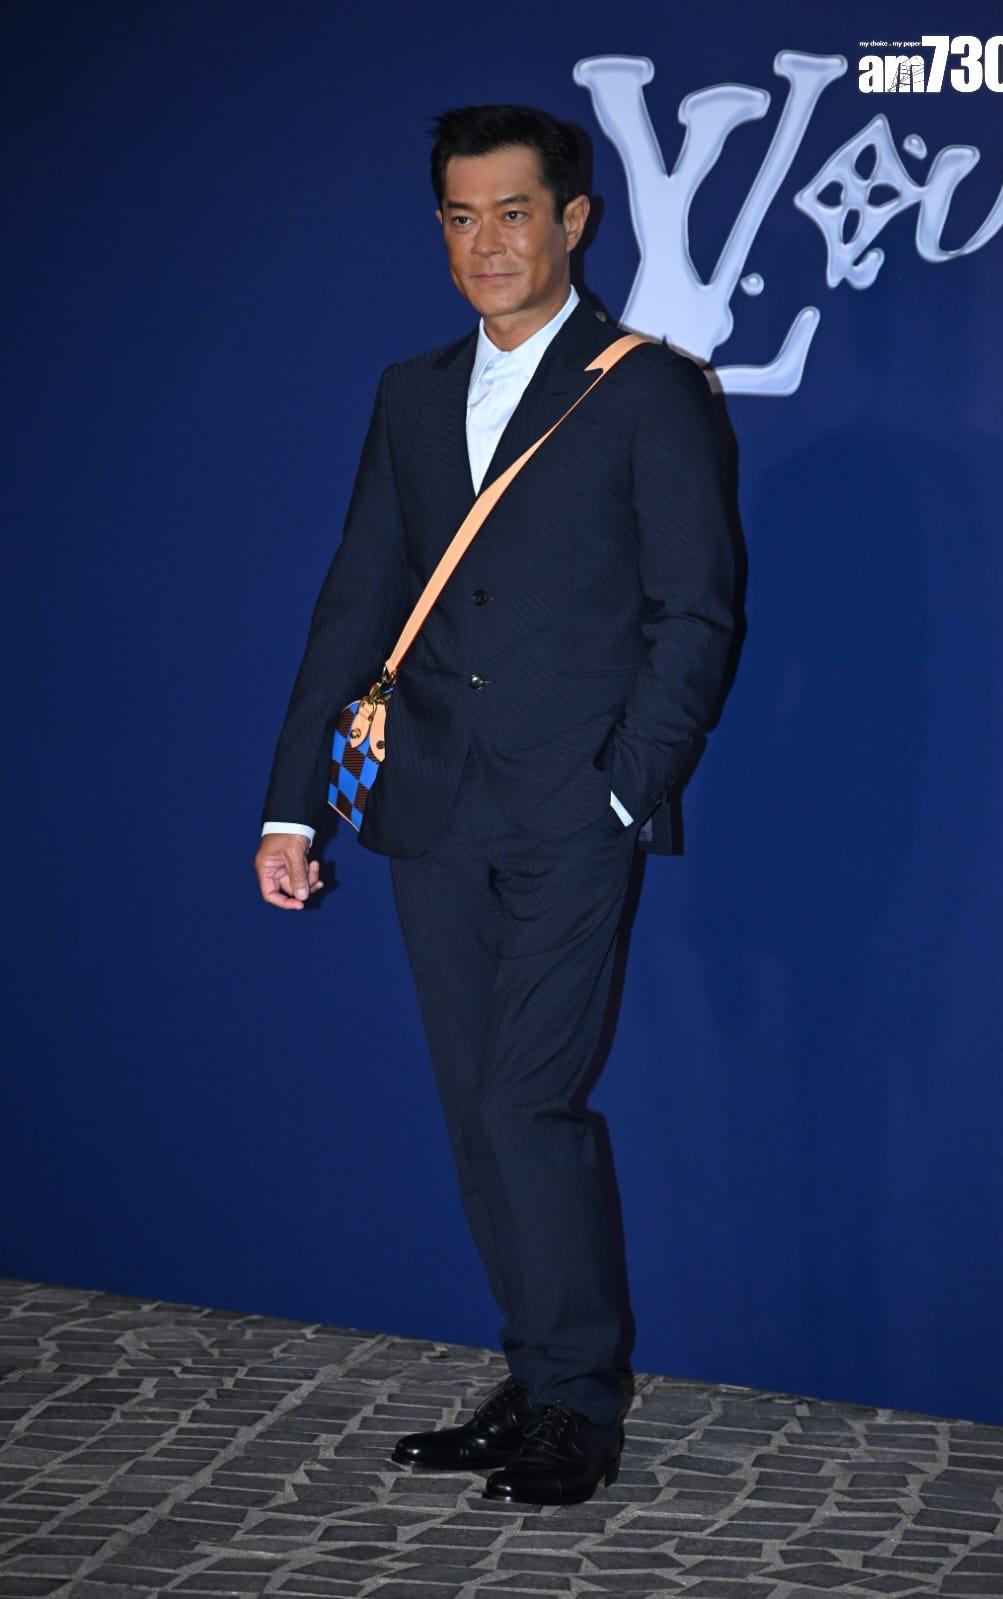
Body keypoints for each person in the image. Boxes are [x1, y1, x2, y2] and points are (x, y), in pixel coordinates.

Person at [253, 102, 745, 1506]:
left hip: (569, 812)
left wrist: (622, 791)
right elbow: (356, 600)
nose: (488, 244)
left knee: (528, 1102)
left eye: (514, 213)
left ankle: (576, 1405)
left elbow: (697, 614)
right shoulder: (410, 392)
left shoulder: (647, 389)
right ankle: (535, 1377)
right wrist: (293, 809)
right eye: (461, 218)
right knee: (479, 1113)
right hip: (429, 808)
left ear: (572, 221)